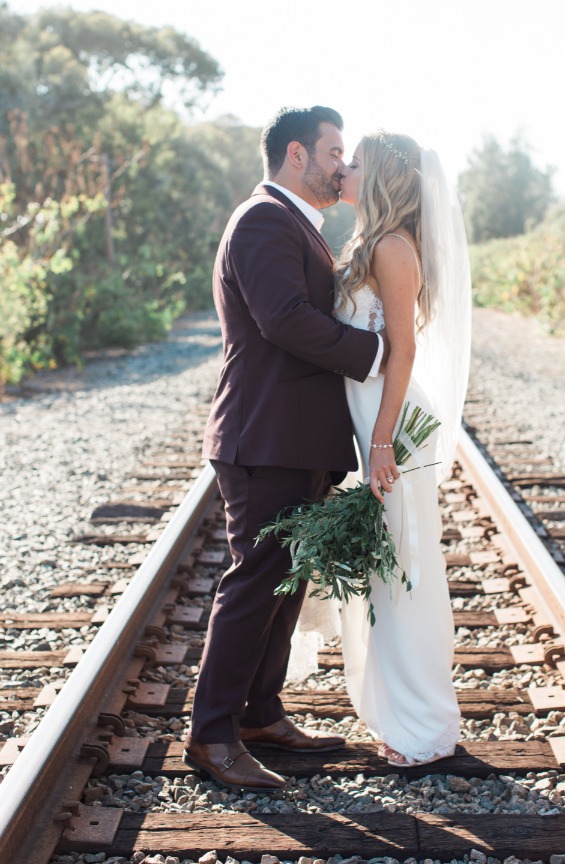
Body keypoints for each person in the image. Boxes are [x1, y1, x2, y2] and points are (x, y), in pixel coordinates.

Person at [184, 106, 384, 791]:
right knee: (253, 581)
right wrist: (379, 353)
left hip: (292, 436)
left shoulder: (294, 222)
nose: (342, 163)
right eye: (334, 150)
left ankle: (260, 714)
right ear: (297, 154)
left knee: (284, 581)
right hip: (264, 434)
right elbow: (284, 320)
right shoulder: (263, 219)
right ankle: (211, 734)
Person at [334, 130, 471, 767]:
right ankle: (400, 713)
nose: (344, 169)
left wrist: (382, 440)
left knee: (404, 574)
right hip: (374, 425)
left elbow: (403, 349)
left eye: (354, 162)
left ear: (381, 174)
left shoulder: (392, 247)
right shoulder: (371, 242)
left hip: (395, 430)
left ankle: (424, 728)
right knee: (384, 575)